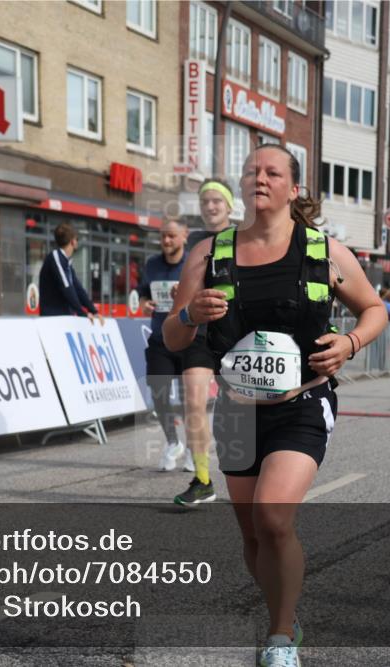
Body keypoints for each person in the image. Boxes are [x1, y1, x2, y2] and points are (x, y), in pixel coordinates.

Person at [164, 144, 386, 666]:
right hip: (238, 409)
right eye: (251, 172)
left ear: (293, 188)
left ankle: (281, 638)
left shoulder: (323, 251)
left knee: (273, 515)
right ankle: (283, 612)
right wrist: (192, 314)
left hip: (302, 401)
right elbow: (173, 337)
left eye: (271, 172)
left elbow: (375, 308)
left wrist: (350, 343)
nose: (258, 178)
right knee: (251, 532)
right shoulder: (207, 254)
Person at [171, 178, 236, 503]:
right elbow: (186, 283)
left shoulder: (242, 238)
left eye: (217, 201)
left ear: (229, 206)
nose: (211, 206)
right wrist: (180, 294)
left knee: (245, 407)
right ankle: (203, 478)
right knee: (193, 401)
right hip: (199, 331)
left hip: (236, 332)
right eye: (205, 201)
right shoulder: (194, 241)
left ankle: (261, 473)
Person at [137, 219, 190, 470]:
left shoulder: (193, 264)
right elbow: (144, 293)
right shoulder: (152, 264)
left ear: (184, 236)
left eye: (171, 236)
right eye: (163, 237)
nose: (166, 241)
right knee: (158, 391)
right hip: (160, 339)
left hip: (189, 339)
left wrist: (185, 296)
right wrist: (145, 303)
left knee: (191, 399)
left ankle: (193, 448)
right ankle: (173, 442)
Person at [38, 222, 103, 324]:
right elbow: (67, 288)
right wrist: (82, 313)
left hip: (64, 317)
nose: (77, 242)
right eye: (77, 239)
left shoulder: (66, 262)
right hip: (53, 319)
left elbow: (78, 289)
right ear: (73, 241)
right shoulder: (56, 257)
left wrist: (93, 311)